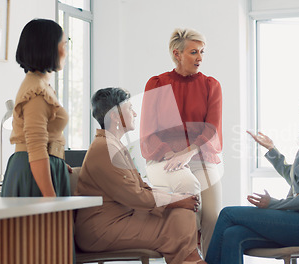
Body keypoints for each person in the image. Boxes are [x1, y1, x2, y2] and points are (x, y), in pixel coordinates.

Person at [205, 83, 299, 264]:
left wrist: (274, 204)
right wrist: (272, 150)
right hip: (294, 218)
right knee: (232, 234)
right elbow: (294, 177)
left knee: (228, 214)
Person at [75, 88, 206, 264]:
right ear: (115, 115)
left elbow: (141, 188)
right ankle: (191, 258)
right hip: (102, 229)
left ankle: (191, 257)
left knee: (182, 213)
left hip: (122, 217)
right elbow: (134, 195)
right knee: (178, 219)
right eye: (130, 108)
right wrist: (175, 200)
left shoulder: (114, 145)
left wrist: (176, 199)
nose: (135, 113)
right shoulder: (105, 148)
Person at [140, 28, 223, 255]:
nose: (200, 58)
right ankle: (189, 258)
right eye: (194, 52)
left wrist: (187, 153)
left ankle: (210, 260)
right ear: (177, 54)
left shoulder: (211, 85)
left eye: (202, 52)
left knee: (212, 216)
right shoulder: (156, 84)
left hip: (201, 156)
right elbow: (149, 129)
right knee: (189, 210)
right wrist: (170, 154)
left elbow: (212, 128)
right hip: (164, 158)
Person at [2, 19, 70, 197]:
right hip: (34, 173)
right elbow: (36, 146)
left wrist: (58, 159)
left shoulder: (41, 86)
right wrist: (51, 198)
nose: (67, 51)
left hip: (43, 167)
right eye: (64, 44)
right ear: (48, 48)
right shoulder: (36, 91)